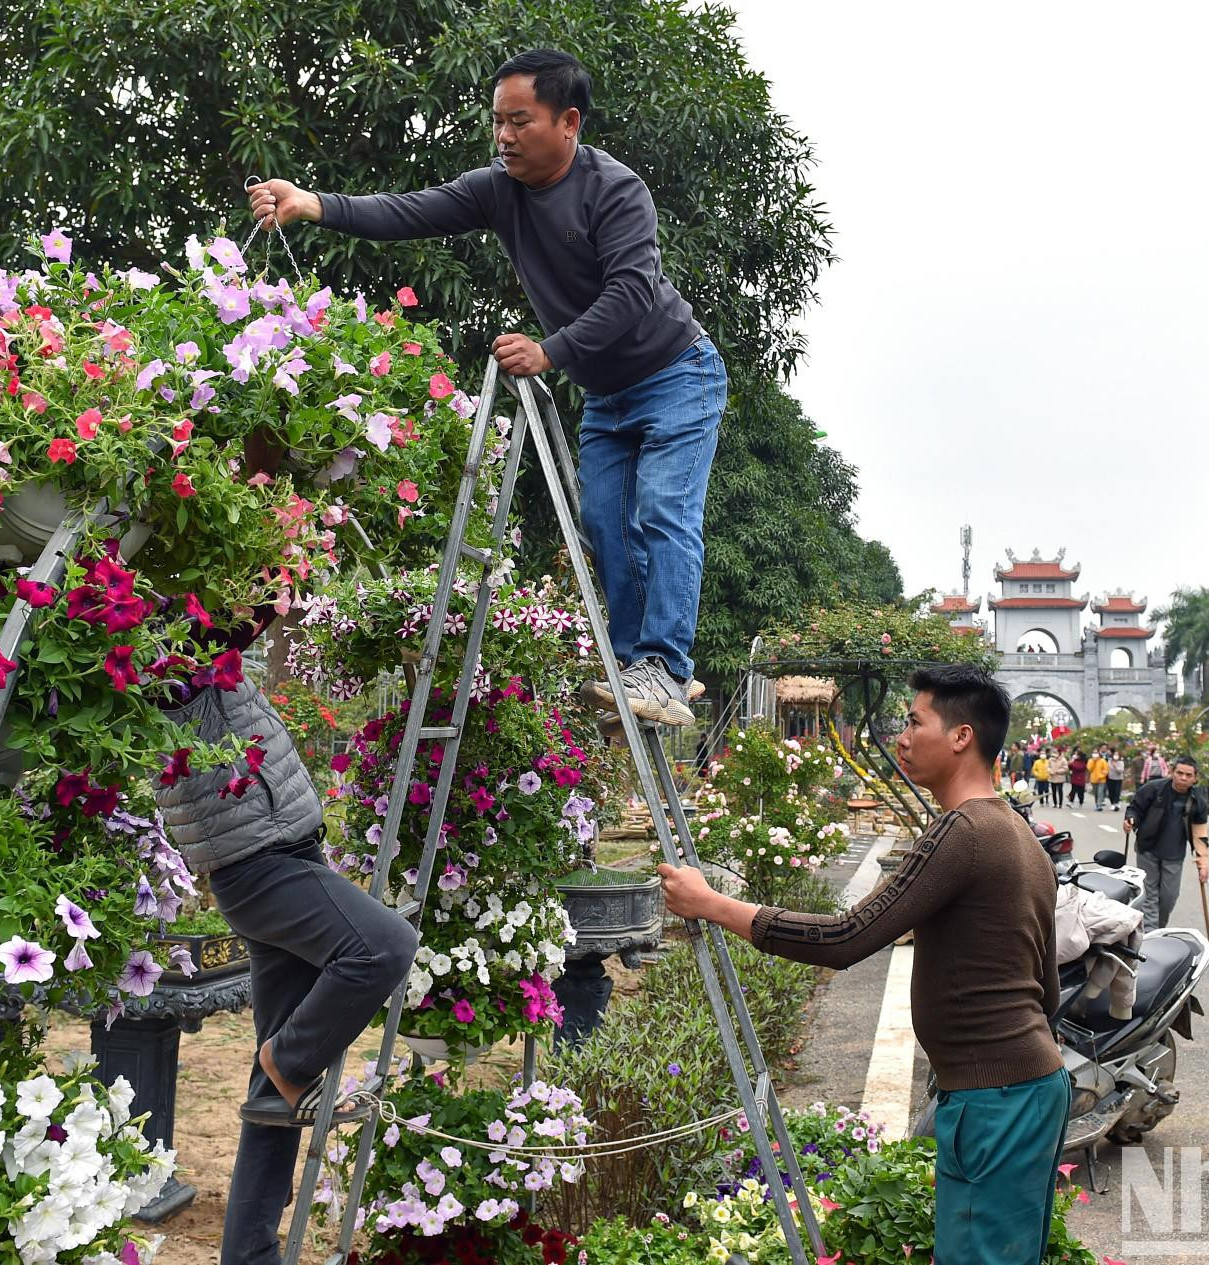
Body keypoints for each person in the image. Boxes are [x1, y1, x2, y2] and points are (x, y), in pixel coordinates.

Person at [247, 49, 719, 728]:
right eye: (497, 121)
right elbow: (410, 211)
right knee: (605, 527)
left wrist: (550, 350)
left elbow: (632, 291)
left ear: (568, 122)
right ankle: (634, 670)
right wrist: (313, 204)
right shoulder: (498, 189)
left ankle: (666, 668)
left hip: (677, 374)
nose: (503, 136)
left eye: (519, 121)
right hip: (608, 393)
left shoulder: (615, 190)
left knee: (663, 511)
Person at [658, 664, 1065, 1264]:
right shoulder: (1017, 833)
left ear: (961, 738)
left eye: (914, 720)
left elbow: (846, 937)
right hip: (1017, 1087)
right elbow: (1046, 989)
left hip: (996, 1098)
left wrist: (713, 904)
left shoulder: (965, 832)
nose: (901, 736)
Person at [158, 660, 420, 1265]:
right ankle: (291, 1059)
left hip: (274, 851)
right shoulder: (172, 657)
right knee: (384, 946)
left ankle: (248, 1255)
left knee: (271, 1097)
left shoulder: (198, 654)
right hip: (261, 861)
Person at [1122, 755, 1209, 931]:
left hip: (1174, 854)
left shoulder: (1197, 801)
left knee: (1169, 898)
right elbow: (1135, 808)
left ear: (1195, 778)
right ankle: (1150, 935)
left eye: (1188, 775)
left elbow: (1200, 831)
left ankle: (1157, 929)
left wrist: (1203, 861)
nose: (1183, 778)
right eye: (1179, 773)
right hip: (1147, 849)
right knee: (1150, 896)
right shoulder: (1153, 789)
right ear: (1172, 772)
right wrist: (1130, 820)